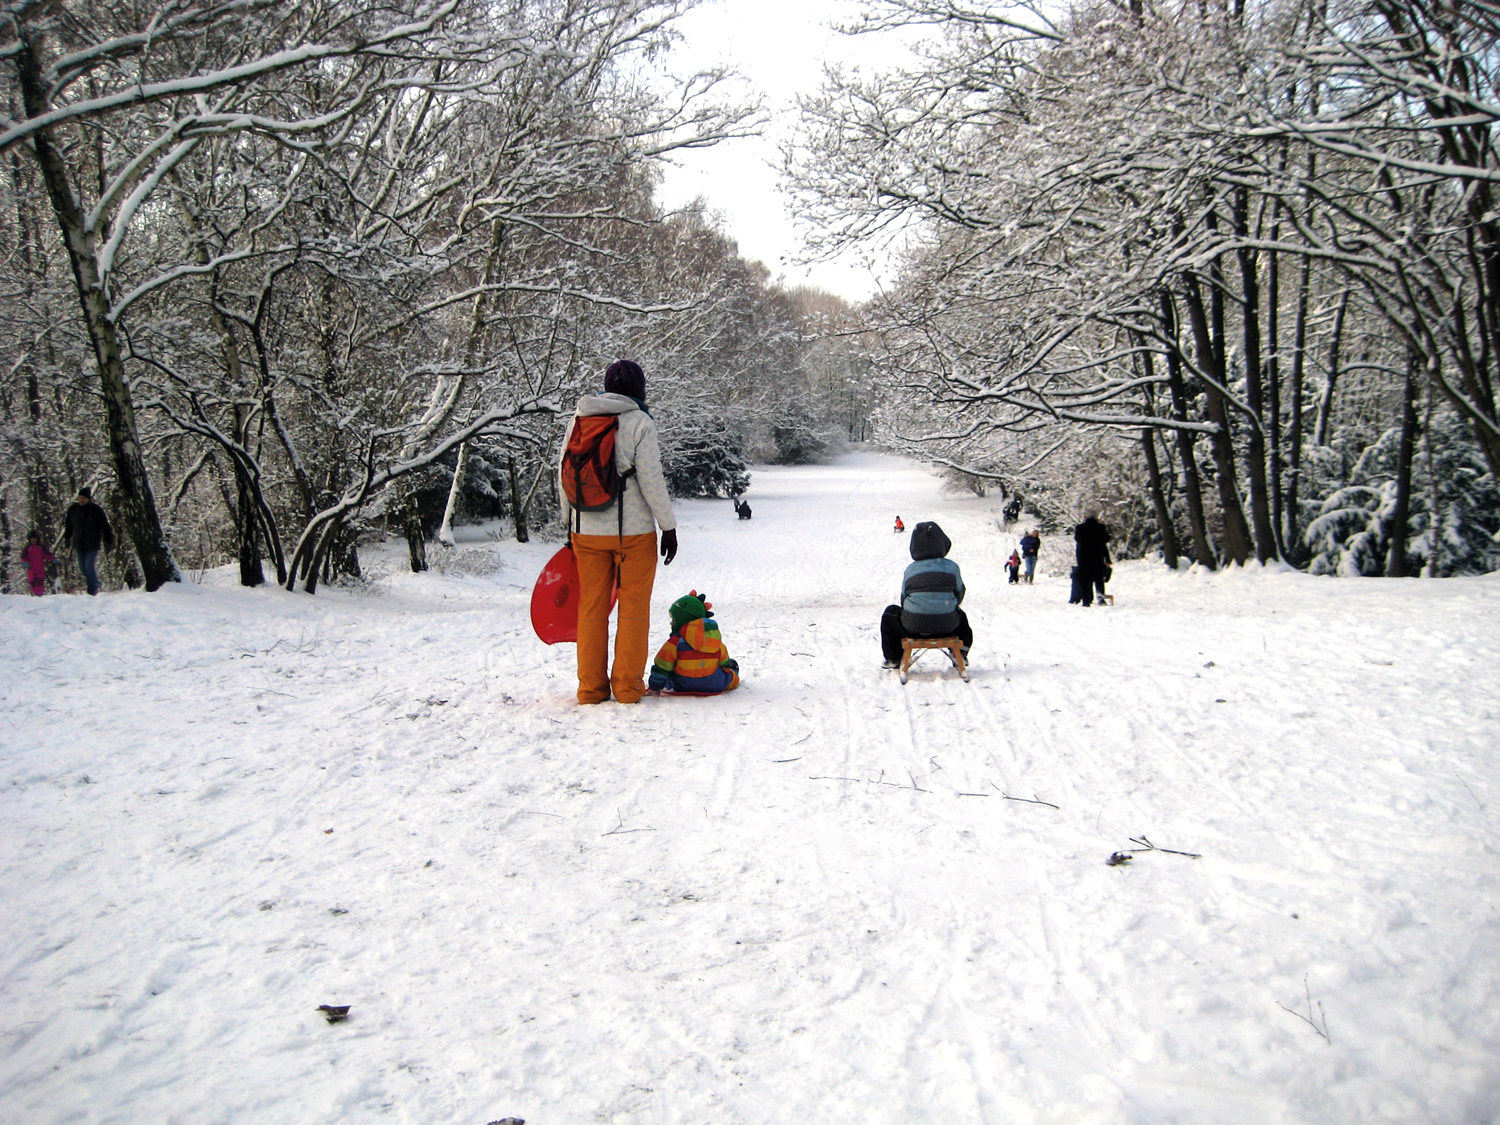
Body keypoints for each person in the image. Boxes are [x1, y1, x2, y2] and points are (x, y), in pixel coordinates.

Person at [559, 360, 677, 705]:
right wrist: (667, 526)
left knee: (591, 610)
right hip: (634, 533)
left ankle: (591, 689)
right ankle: (626, 688)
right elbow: (651, 480)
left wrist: (569, 523)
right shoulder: (639, 422)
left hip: (587, 531)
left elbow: (563, 473)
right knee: (633, 609)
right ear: (640, 389)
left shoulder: (579, 419)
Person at [881, 521, 972, 668]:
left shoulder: (911, 570)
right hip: (947, 625)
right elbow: (959, 593)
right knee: (961, 616)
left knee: (890, 614)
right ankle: (960, 653)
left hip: (914, 626)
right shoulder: (952, 568)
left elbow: (904, 599)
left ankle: (894, 658)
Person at [648, 591, 740, 695]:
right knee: (730, 674)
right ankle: (734, 674)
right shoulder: (714, 639)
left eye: (673, 620)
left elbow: (661, 666)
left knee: (669, 675)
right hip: (713, 683)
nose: (671, 623)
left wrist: (655, 686)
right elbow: (724, 661)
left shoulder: (674, 643)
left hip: (681, 684)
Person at [62, 487, 114, 596]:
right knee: (83, 569)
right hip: (79, 543)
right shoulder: (73, 510)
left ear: (89, 499)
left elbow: (105, 525)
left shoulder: (96, 510)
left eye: (84, 498)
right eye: (80, 498)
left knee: (89, 566)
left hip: (93, 543)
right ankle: (94, 582)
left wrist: (109, 540)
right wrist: (67, 539)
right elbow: (68, 526)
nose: (81, 500)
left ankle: (92, 590)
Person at [1074, 511, 1112, 607]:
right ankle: (1100, 598)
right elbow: (1106, 540)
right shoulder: (1100, 527)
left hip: (1083, 557)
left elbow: (1077, 539)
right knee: (1099, 579)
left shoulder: (1080, 528)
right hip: (1097, 556)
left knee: (1085, 580)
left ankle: (1086, 600)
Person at [21, 530, 55, 596]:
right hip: (31, 568)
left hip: (40, 568)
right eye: (32, 538)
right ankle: (34, 594)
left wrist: (53, 559)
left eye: (35, 538)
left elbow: (47, 554)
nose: (33, 540)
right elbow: (23, 557)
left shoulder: (41, 547)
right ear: (29, 539)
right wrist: (25, 563)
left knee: (39, 582)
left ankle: (39, 595)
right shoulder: (27, 548)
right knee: (32, 581)